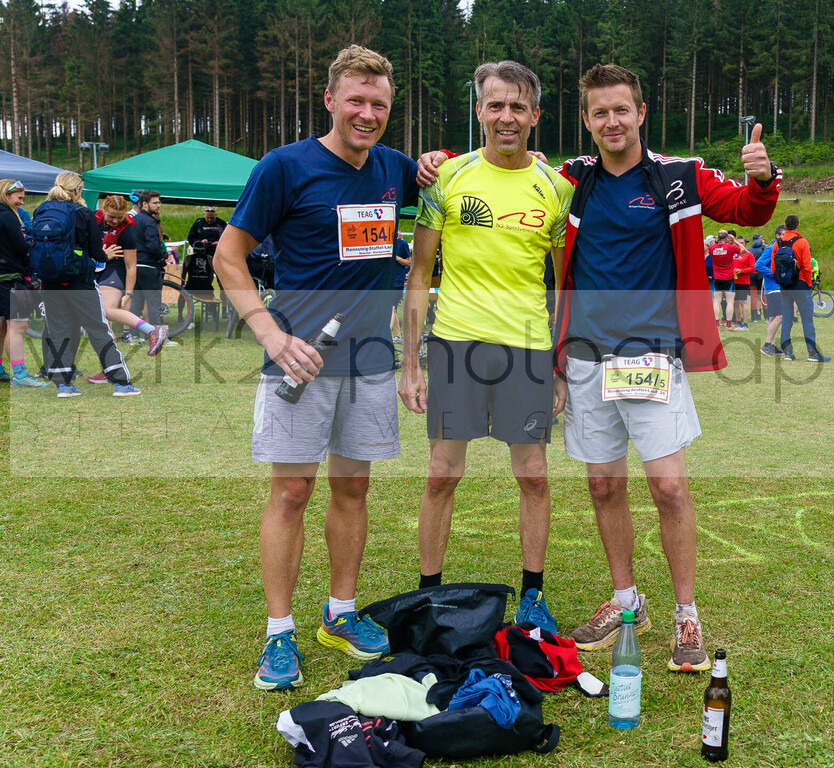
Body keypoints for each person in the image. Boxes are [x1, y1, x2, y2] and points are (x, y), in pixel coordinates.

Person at [548, 64, 778, 672]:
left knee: (669, 487)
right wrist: (435, 161)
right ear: (587, 120)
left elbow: (747, 211)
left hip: (650, 356)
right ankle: (627, 603)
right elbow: (506, 163)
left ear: (641, 112)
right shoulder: (573, 179)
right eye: (600, 112)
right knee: (602, 485)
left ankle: (685, 615)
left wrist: (764, 179)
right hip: (587, 359)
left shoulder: (679, 175)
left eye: (621, 109)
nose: (612, 121)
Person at [214, 44, 419, 691]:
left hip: (369, 362)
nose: (366, 113)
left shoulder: (395, 168)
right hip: (297, 360)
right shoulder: (285, 167)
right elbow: (228, 256)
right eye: (355, 100)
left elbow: (461, 183)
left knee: (353, 488)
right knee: (292, 492)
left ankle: (340, 613)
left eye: (378, 104)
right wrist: (271, 335)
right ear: (329, 100)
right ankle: (279, 635)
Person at [399, 60, 573, 634]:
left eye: (517, 107)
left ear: (535, 116)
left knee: (534, 476)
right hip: (454, 347)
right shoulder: (446, 180)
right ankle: (429, 592)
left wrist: (560, 366)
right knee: (442, 473)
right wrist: (411, 360)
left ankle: (533, 594)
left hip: (527, 348)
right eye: (495, 105)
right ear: (479, 110)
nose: (506, 117)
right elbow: (420, 272)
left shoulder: (556, 188)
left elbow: (563, 280)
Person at [36, 172, 139, 397]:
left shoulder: (41, 210)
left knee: (59, 330)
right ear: (78, 190)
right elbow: (97, 254)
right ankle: (121, 382)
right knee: (98, 328)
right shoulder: (83, 213)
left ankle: (64, 385)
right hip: (80, 280)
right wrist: (105, 256)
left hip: (50, 281)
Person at [85, 196, 168, 384]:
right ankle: (109, 368)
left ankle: (152, 329)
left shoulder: (126, 231)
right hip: (93, 268)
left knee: (106, 310)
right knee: (103, 323)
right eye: (112, 216)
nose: (115, 221)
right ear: (103, 209)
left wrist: (128, 294)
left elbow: (131, 266)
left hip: (114, 270)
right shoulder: (92, 221)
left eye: (119, 217)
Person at [0, 178, 48, 387]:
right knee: (17, 326)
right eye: (19, 198)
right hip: (9, 278)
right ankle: (19, 375)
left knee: (2, 326)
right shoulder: (8, 216)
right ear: (7, 195)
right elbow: (21, 247)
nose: (21, 202)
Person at [774, 214, 830, 362]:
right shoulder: (802, 242)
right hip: (800, 284)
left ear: (785, 226)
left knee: (787, 317)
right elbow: (807, 266)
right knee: (807, 318)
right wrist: (808, 284)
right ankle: (812, 352)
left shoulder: (777, 243)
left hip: (784, 285)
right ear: (798, 226)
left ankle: (787, 352)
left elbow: (774, 267)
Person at [127, 190, 165, 341]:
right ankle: (158, 337)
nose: (158, 206)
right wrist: (162, 257)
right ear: (143, 204)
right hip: (149, 266)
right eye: (155, 203)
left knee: (136, 304)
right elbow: (153, 245)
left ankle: (134, 336)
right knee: (154, 305)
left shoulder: (135, 220)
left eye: (158, 202)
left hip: (135, 267)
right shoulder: (150, 221)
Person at [757, 224, 786, 356]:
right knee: (780, 316)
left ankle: (771, 345)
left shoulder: (782, 248)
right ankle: (767, 345)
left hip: (778, 287)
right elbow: (758, 265)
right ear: (777, 235)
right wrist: (774, 274)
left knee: (774, 316)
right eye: (785, 234)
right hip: (774, 288)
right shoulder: (771, 249)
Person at [709, 231, 740, 329]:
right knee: (729, 301)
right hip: (728, 277)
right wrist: (735, 240)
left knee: (716, 301)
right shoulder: (731, 248)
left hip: (717, 278)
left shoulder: (712, 248)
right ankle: (729, 324)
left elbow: (713, 247)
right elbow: (743, 250)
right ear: (727, 238)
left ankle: (716, 324)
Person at [732, 235, 755, 329]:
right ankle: (738, 321)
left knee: (743, 301)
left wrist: (741, 271)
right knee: (735, 302)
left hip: (743, 281)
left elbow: (753, 268)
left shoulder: (749, 254)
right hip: (733, 280)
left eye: (742, 243)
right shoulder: (733, 253)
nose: (740, 245)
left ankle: (745, 323)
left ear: (745, 244)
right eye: (738, 243)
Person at [747, 233, 764, 322]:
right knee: (763, 295)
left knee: (753, 296)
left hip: (751, 274)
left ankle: (755, 316)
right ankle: (766, 316)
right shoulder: (763, 249)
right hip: (761, 275)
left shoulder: (749, 249)